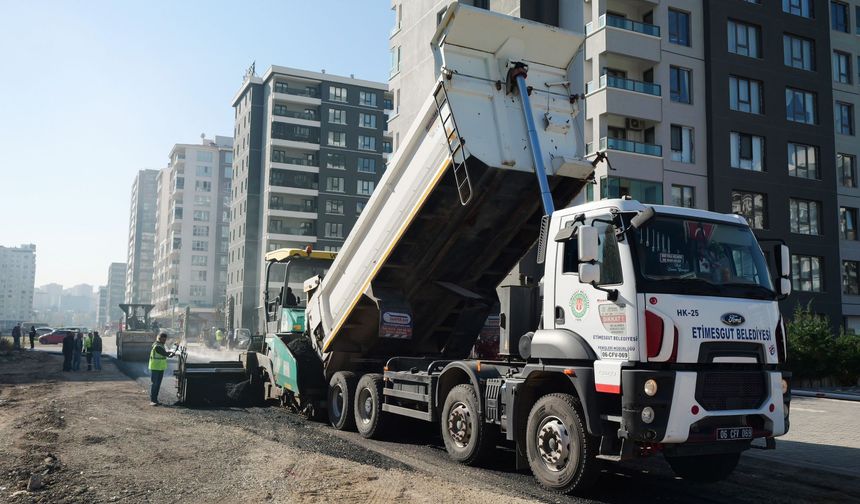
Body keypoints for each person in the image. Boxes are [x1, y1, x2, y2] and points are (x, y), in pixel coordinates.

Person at [148, 332, 175, 406]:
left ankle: (155, 400)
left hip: (160, 367)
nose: (165, 341)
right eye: (164, 339)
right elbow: (164, 353)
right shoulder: (157, 346)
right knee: (155, 384)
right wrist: (171, 354)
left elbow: (165, 353)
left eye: (165, 339)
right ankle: (153, 400)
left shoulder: (161, 345)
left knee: (158, 384)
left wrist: (171, 353)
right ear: (160, 339)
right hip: (155, 367)